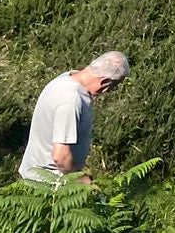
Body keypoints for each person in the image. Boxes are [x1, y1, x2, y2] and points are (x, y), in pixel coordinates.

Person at [19, 51, 130, 183]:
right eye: (114, 86)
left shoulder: (67, 78)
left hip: (36, 173)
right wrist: (84, 182)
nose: (111, 91)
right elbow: (61, 157)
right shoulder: (71, 101)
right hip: (49, 182)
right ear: (105, 82)